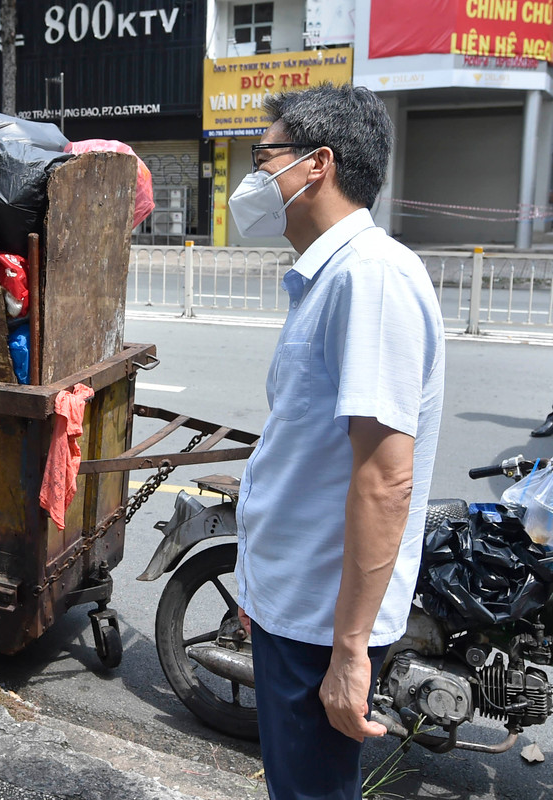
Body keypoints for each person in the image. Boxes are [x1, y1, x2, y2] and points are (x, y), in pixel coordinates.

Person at [229, 84, 445, 800]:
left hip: (324, 623)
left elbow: (386, 479)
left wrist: (351, 649)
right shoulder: (328, 279)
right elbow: (307, 455)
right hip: (294, 603)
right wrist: (258, 589)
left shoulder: (370, 279)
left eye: (266, 158)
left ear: (316, 164)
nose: (256, 177)